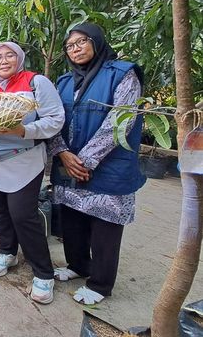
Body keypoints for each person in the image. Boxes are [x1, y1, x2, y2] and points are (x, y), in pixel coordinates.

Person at [49, 23, 145, 305]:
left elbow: (121, 121)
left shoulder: (123, 73)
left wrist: (86, 160)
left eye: (81, 42)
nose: (75, 49)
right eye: (70, 45)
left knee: (105, 226)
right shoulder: (64, 81)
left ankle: (101, 284)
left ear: (97, 41)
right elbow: (54, 121)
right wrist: (63, 153)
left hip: (108, 166)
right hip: (69, 163)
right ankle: (78, 266)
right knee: (72, 220)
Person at [0, 42, 65, 304]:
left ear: (20, 58)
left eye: (9, 55)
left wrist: (24, 131)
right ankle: (7, 252)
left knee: (23, 215)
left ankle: (44, 274)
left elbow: (55, 119)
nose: (3, 61)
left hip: (23, 160)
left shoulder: (36, 82)